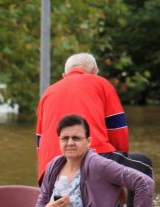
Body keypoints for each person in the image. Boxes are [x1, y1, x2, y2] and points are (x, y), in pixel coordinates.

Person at [33, 114, 155, 207]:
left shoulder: (98, 165)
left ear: (88, 141)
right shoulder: (53, 166)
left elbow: (144, 183)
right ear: (59, 141)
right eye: (65, 138)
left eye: (76, 138)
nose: (70, 143)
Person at [36, 52, 131, 182]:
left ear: (64, 75)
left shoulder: (47, 93)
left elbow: (40, 141)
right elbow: (117, 130)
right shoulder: (101, 84)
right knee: (143, 163)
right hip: (94, 159)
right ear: (95, 72)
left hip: (49, 170)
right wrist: (122, 159)